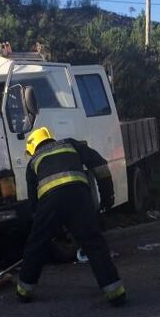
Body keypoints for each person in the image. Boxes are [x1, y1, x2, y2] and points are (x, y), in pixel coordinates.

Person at [16, 127, 126, 306]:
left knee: (37, 244)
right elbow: (100, 165)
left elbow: (34, 204)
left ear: (33, 147)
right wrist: (107, 197)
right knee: (93, 242)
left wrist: (48, 227)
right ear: (50, 138)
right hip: (79, 197)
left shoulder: (33, 162)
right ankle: (115, 292)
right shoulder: (71, 144)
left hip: (50, 202)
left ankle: (24, 291)